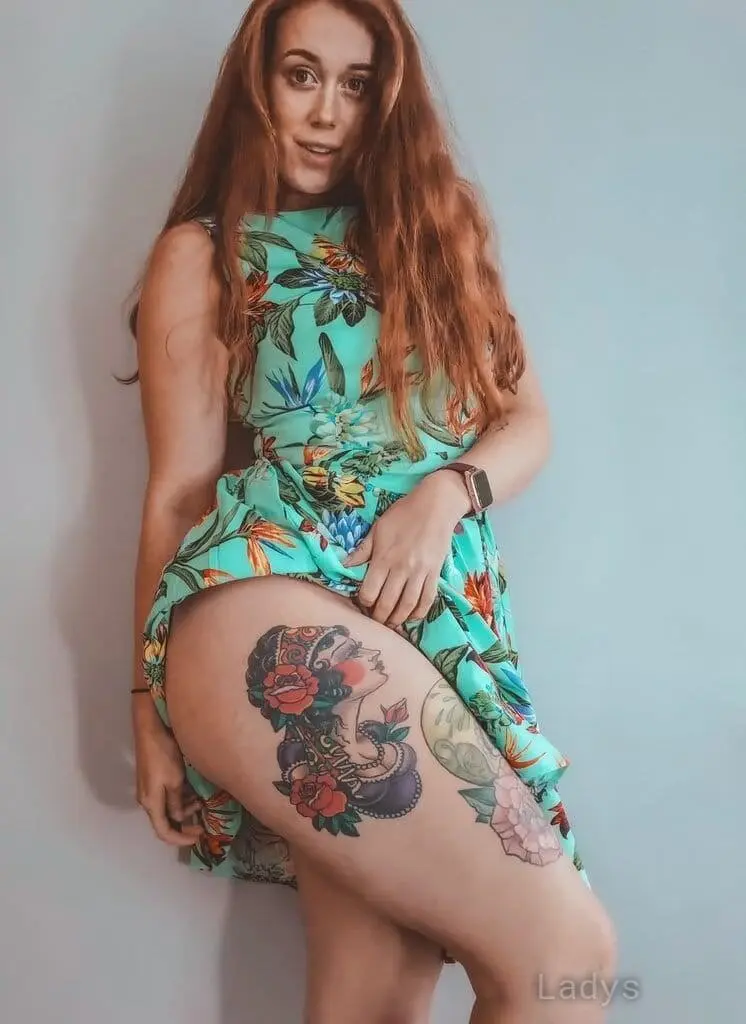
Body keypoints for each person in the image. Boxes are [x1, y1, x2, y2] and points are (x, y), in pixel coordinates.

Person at [129, 1, 617, 1021]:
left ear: (386, 103)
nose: (326, 113)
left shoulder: (440, 227)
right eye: (300, 75)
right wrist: (144, 703)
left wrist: (446, 493)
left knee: (373, 999)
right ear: (257, 85)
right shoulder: (204, 253)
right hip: (264, 596)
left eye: (355, 86)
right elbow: (176, 490)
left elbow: (524, 420)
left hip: (431, 623)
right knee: (564, 952)